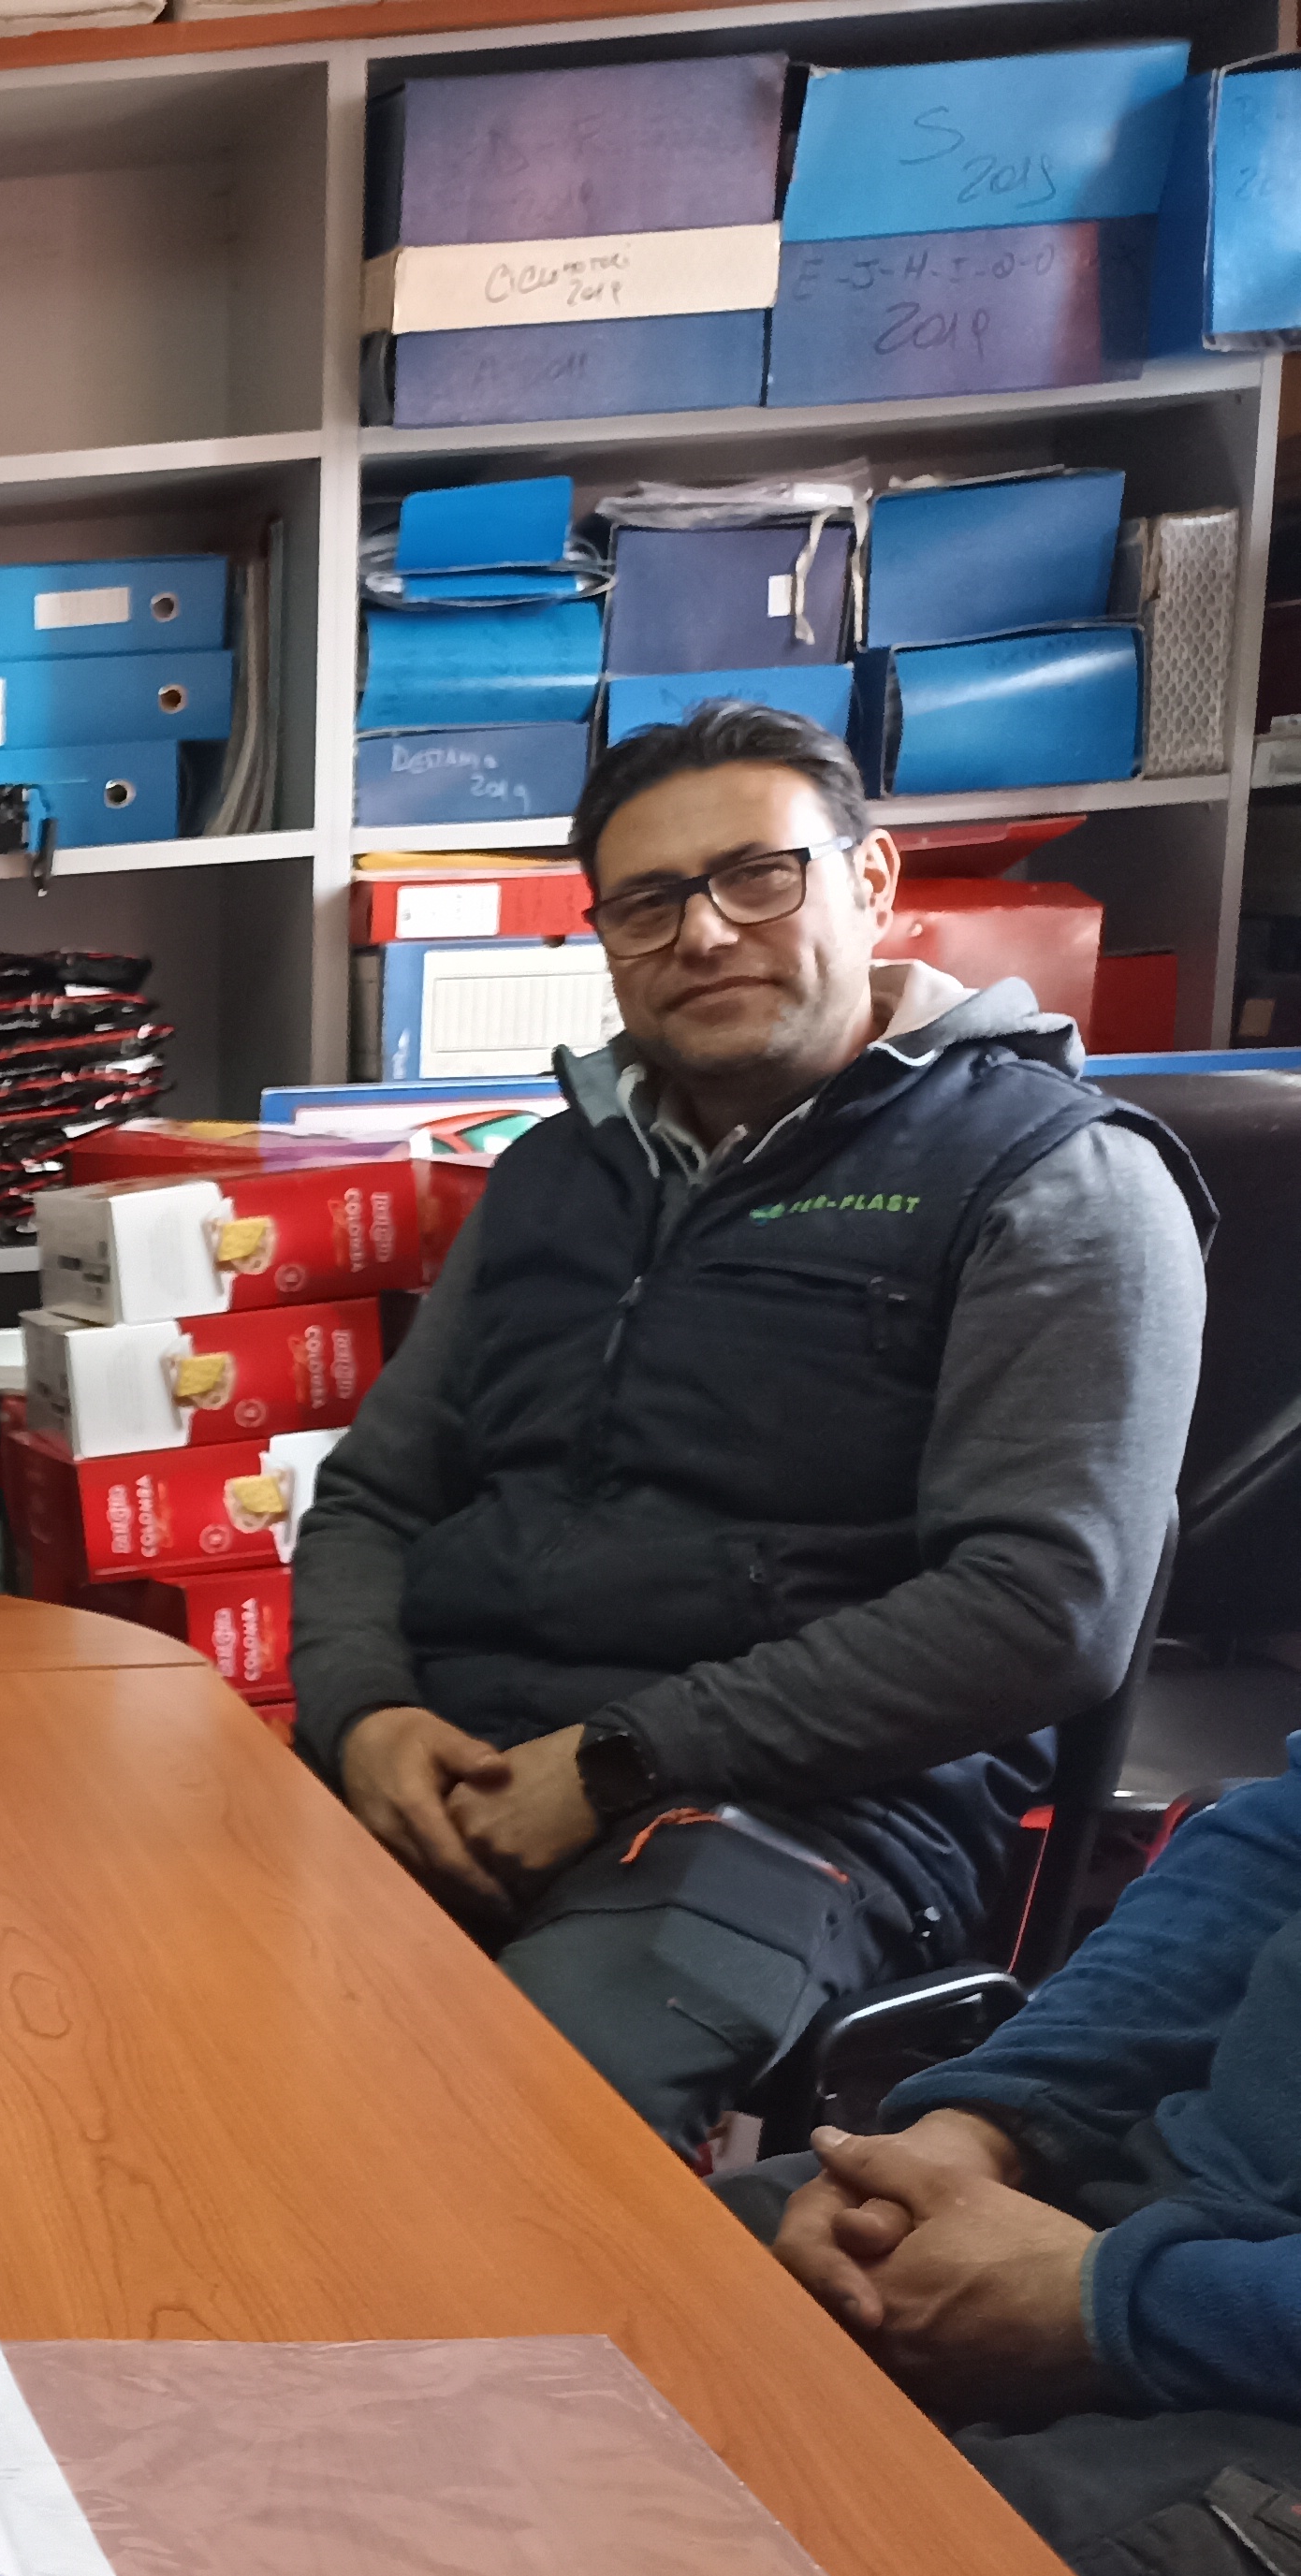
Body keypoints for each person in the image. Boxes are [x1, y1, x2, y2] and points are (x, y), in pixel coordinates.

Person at [290, 699, 1208, 2156]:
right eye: (649, 902)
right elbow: (376, 1500)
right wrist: (367, 1715)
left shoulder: (1055, 1182)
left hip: (800, 1818)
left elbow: (1044, 1609)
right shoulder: (554, 1175)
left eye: (757, 877)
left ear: (873, 880)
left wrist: (621, 1758)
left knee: (488, 2136)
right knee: (93, 1988)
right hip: (458, 1759)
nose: (705, 934)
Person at [760, 1749, 1301, 2576]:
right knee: (608, 2307)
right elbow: (1268, 1857)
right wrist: (983, 2125)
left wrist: (1119, 2306)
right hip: (1147, 2198)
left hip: (1250, 2379)